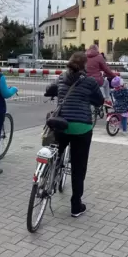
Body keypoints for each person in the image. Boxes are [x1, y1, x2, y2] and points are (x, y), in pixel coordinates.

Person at [44, 51, 104, 217]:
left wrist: (55, 93)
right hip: (81, 128)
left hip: (61, 125)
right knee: (79, 167)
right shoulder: (90, 81)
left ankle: (50, 177)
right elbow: (99, 100)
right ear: (85, 65)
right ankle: (76, 205)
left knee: (56, 152)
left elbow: (49, 90)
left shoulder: (61, 77)